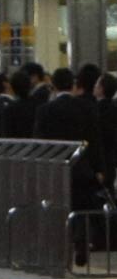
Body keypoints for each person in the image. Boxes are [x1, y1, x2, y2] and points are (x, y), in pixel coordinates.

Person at [35, 67, 105, 265]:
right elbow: (95, 140)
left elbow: (39, 142)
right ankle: (81, 242)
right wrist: (99, 168)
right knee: (81, 207)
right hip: (82, 167)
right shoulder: (86, 108)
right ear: (73, 85)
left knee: (57, 206)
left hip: (55, 167)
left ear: (54, 86)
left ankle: (59, 248)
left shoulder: (44, 110)